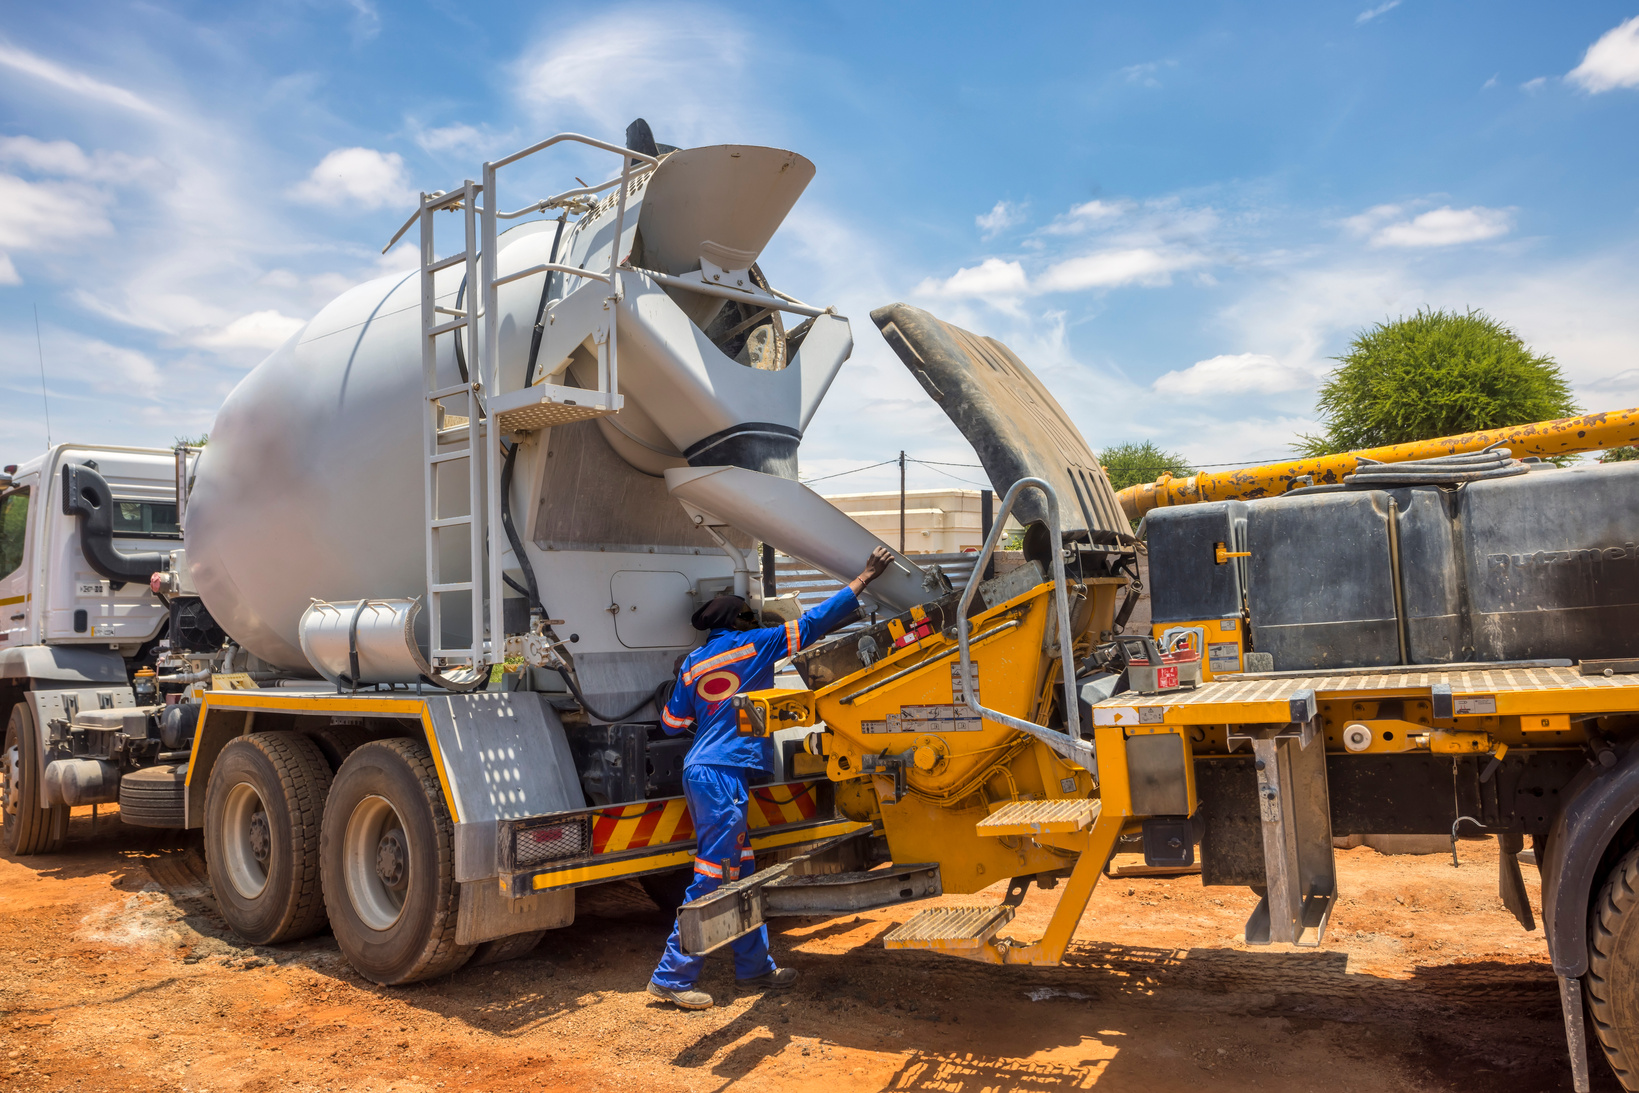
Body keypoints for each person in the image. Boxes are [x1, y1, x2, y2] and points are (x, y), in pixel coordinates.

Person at [648, 546, 895, 1010]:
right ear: (743, 621)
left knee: (740, 869)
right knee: (713, 872)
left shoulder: (692, 663)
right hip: (723, 774)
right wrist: (862, 578)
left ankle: (754, 967)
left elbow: (670, 725)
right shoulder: (756, 645)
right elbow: (815, 623)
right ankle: (671, 978)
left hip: (705, 770)